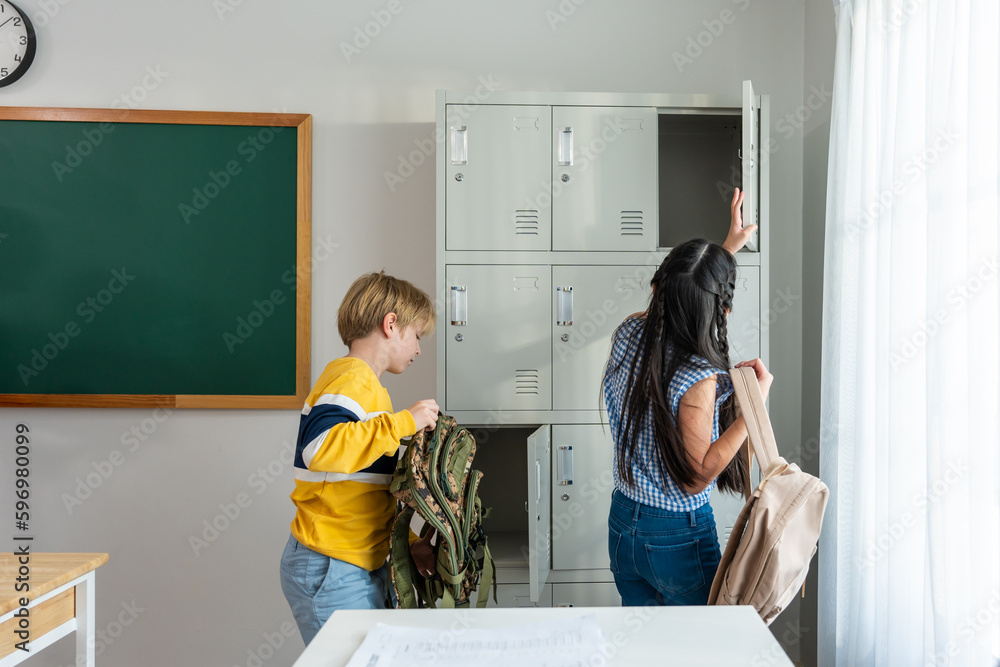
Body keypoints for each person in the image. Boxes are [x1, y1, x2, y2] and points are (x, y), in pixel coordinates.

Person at [602, 188, 773, 606]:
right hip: (675, 536)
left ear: (658, 287)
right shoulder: (697, 376)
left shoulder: (630, 331)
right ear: (717, 312)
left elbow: (683, 292)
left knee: (643, 645)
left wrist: (725, 251)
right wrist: (753, 407)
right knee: (701, 645)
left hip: (625, 525)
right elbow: (699, 474)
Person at [279, 270, 439, 645]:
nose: (418, 349)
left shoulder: (371, 391)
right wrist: (403, 423)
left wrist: (411, 539)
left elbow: (368, 495)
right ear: (390, 324)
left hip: (352, 562)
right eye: (416, 336)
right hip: (331, 564)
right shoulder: (351, 378)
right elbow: (319, 448)